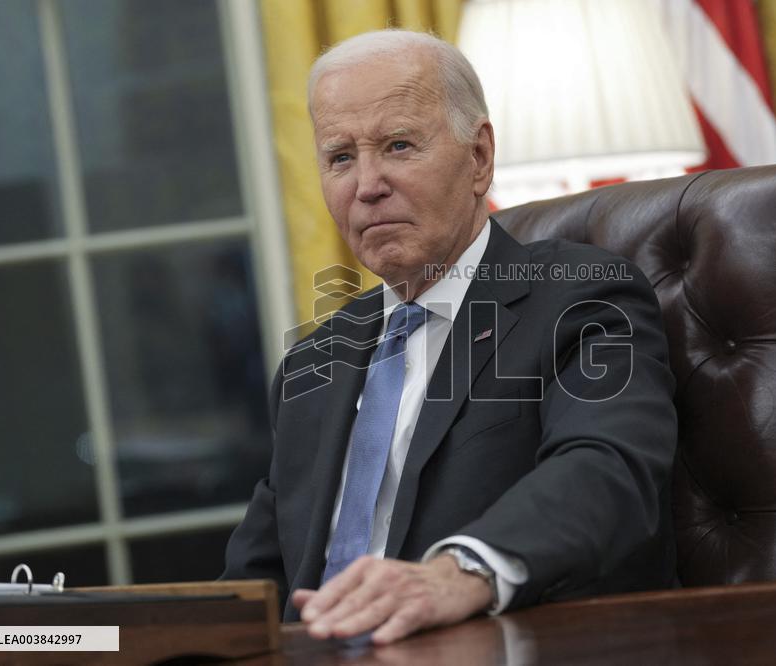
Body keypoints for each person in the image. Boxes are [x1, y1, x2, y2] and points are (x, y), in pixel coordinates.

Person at [222, 29, 677, 645]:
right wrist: (98, 640)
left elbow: (607, 470)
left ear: (479, 157)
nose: (367, 185)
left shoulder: (581, 299)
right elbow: (249, 592)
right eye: (341, 158)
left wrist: (458, 572)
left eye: (398, 145)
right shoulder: (312, 363)